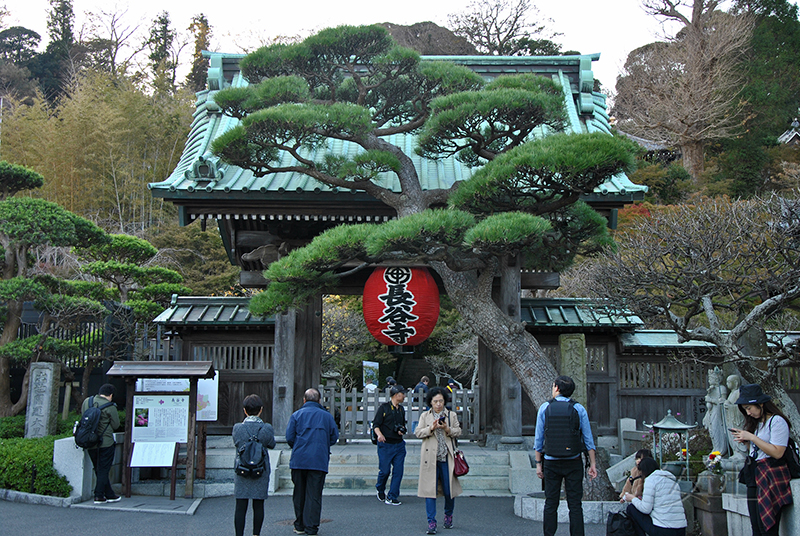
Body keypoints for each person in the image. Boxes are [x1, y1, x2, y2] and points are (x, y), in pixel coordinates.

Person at [534, 375, 597, 536]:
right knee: (575, 504)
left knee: (550, 503)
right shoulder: (578, 409)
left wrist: (538, 463)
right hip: (573, 461)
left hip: (551, 462)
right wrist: (592, 464)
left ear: (556, 388)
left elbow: (539, 439)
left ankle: (549, 534)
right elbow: (588, 439)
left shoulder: (545, 408)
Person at [731, 384, 793, 536]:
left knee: (768, 527)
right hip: (754, 474)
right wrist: (747, 442)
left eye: (749, 408)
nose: (748, 412)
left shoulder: (777, 421)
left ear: (760, 404)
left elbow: (778, 452)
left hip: (770, 476)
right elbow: (757, 451)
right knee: (756, 527)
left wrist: (752, 437)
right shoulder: (756, 424)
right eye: (745, 409)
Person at [286, 388, 339, 536]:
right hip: (318, 459)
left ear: (304, 400)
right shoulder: (327, 417)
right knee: (314, 494)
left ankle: (299, 524)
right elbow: (334, 437)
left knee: (299, 493)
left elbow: (289, 437)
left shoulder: (296, 415)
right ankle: (312, 526)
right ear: (319, 401)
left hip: (299, 459)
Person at [415, 387, 462, 535]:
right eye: (435, 401)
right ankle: (431, 521)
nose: (438, 404)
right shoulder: (425, 416)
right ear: (430, 402)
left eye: (441, 401)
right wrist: (431, 428)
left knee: (449, 491)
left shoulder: (451, 415)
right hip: (430, 459)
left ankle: (448, 515)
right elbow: (418, 432)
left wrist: (447, 429)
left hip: (446, 458)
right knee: (430, 491)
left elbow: (458, 431)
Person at [232, 394, 276, 536]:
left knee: (240, 506)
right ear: (261, 410)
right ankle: (256, 534)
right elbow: (272, 444)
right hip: (260, 469)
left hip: (242, 469)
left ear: (244, 410)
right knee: (258, 505)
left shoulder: (238, 428)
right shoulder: (267, 428)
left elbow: (237, 444)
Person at [622, 457, 687, 536]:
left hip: (663, 529)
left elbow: (646, 509)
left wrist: (632, 498)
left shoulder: (651, 480)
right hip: (681, 529)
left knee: (631, 508)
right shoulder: (672, 481)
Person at [81, 383, 121, 504]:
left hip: (90, 441)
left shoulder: (87, 402)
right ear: (111, 395)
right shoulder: (110, 406)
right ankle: (98, 495)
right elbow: (116, 425)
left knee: (98, 469)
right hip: (105, 442)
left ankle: (109, 494)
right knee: (104, 469)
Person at [373, 384, 407, 505]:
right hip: (385, 444)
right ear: (397, 394)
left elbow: (403, 425)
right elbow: (375, 424)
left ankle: (392, 496)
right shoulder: (384, 408)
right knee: (385, 471)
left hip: (399, 444)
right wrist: (379, 435)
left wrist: (401, 430)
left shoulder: (401, 409)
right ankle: (380, 488)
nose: (404, 396)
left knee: (398, 471)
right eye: (403, 394)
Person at [702, 367, 728, 456]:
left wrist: (711, 399)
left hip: (718, 413)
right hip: (711, 412)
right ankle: (715, 447)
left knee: (717, 430)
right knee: (712, 430)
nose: (709, 380)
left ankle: (720, 448)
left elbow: (722, 402)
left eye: (711, 378)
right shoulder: (711, 389)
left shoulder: (722, 388)